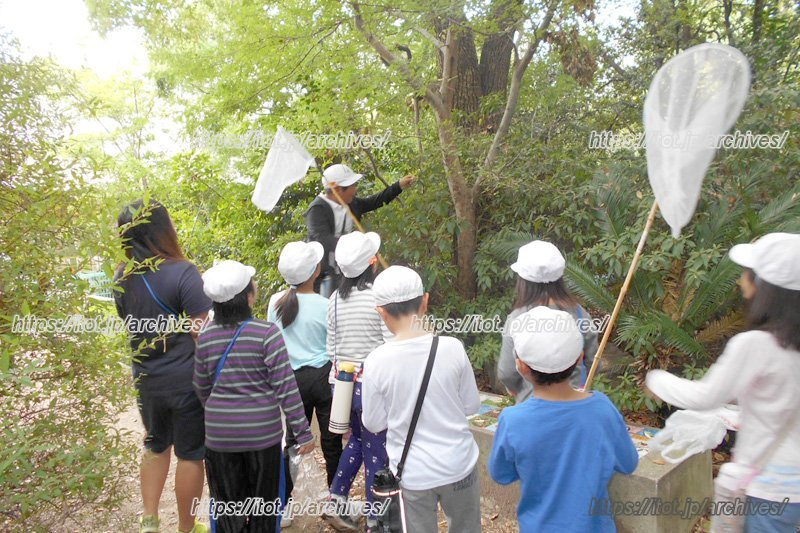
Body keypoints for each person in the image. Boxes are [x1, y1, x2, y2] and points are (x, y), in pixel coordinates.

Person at [646, 233, 800, 532]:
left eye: (748, 273)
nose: (742, 279)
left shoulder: (756, 344)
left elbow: (706, 396)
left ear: (766, 287)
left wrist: (657, 379)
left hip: (766, 484)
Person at [489, 306, 639, 532]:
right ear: (579, 359)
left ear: (521, 366)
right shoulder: (602, 409)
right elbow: (628, 463)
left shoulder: (512, 420)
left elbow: (501, 474)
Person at [194, 260, 315, 533]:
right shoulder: (267, 334)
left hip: (220, 440)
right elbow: (286, 388)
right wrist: (303, 433)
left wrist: (220, 413)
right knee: (264, 509)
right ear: (248, 296)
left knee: (227, 508)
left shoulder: (206, 337)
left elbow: (201, 388)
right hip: (263, 439)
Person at [114, 199, 210, 533]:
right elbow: (201, 331)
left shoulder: (121, 277)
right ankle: (186, 526)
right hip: (185, 379)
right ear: (163, 230)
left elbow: (131, 321)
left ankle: (150, 520)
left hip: (146, 379)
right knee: (190, 454)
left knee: (154, 444)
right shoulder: (183, 271)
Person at [363, 265, 482, 533]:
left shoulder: (375, 362)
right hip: (459, 465)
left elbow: (373, 423)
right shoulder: (452, 348)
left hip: (413, 475)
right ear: (425, 301)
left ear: (381, 312)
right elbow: (472, 405)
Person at [323, 231, 390, 531]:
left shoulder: (335, 298)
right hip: (372, 386)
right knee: (376, 448)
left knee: (357, 442)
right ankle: (376, 517)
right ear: (371, 264)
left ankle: (336, 499)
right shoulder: (378, 297)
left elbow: (330, 347)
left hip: (342, 387)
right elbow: (390, 344)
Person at [267, 241, 343, 490]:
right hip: (322, 378)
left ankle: (285, 503)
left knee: (293, 441)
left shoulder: (275, 302)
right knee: (331, 441)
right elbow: (333, 345)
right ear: (315, 271)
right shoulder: (326, 304)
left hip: (291, 381)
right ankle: (336, 498)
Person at [497, 240, 598, 402]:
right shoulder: (580, 314)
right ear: (560, 277)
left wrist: (515, 388)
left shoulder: (517, 318)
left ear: (522, 281)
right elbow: (594, 361)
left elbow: (507, 372)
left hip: (532, 405)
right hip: (575, 404)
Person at [305, 163, 416, 297]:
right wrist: (357, 248)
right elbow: (322, 240)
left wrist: (398, 186)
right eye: (352, 186)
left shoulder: (350, 203)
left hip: (347, 271)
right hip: (324, 276)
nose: (355, 189)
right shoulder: (317, 210)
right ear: (338, 190)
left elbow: (374, 202)